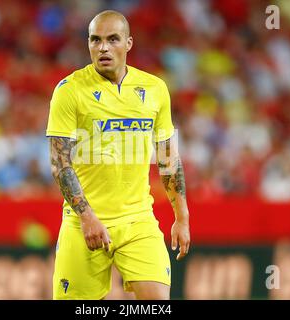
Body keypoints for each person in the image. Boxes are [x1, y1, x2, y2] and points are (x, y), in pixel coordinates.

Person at [46, 10, 190, 300]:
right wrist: (87, 218)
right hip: (82, 221)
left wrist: (182, 216)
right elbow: (60, 163)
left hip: (138, 220)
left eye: (113, 39)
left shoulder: (155, 90)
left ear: (129, 43)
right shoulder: (69, 91)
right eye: (95, 40)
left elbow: (167, 159)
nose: (103, 48)